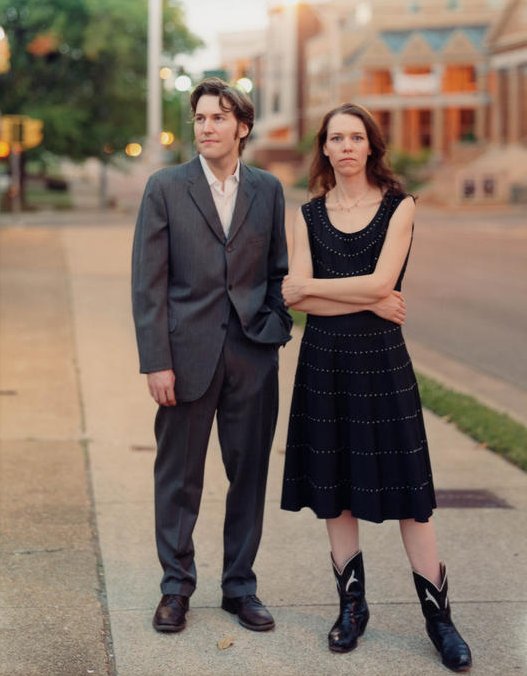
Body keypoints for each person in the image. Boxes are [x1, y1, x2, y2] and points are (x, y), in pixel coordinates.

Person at [280, 103, 472, 673]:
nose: (345, 147)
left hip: (382, 362)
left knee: (412, 496)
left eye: (355, 137)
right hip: (325, 360)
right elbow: (296, 300)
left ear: (371, 146)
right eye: (335, 137)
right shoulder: (306, 215)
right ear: (324, 147)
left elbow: (383, 281)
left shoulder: (400, 208)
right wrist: (365, 297)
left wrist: (321, 288)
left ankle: (440, 619)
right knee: (335, 489)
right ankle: (352, 609)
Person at [132, 77, 292, 634]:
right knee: (178, 478)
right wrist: (156, 361)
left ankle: (239, 588)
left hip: (252, 355)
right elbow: (148, 284)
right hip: (185, 356)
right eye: (200, 118)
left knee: (247, 475)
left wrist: (275, 329)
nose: (206, 127)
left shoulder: (268, 189)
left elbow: (277, 271)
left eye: (218, 118)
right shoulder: (165, 187)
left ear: (242, 128)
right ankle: (175, 589)